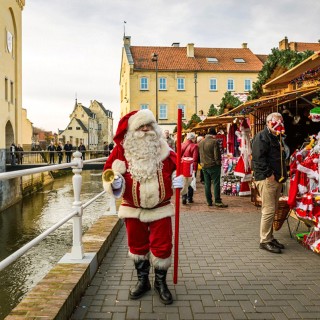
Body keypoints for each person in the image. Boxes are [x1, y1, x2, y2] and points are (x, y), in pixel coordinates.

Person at [102, 109, 184, 305]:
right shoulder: (121, 150)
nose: (146, 130)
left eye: (149, 125)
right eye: (141, 126)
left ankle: (160, 284)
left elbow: (179, 168)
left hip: (160, 208)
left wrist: (182, 180)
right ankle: (143, 281)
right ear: (132, 130)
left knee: (163, 246)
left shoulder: (164, 149)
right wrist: (113, 181)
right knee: (137, 246)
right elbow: (106, 172)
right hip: (133, 209)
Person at [251, 112, 288, 254]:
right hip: (268, 179)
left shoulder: (276, 136)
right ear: (268, 123)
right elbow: (258, 159)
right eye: (275, 122)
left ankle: (270, 237)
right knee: (269, 210)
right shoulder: (261, 137)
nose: (279, 124)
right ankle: (264, 240)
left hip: (277, 178)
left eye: (281, 122)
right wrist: (269, 174)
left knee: (273, 210)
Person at [198, 127, 228, 208]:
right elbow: (217, 155)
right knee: (216, 183)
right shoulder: (214, 142)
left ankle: (209, 201)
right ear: (213, 135)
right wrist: (218, 163)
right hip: (213, 165)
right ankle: (217, 201)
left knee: (207, 184)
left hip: (204, 165)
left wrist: (201, 163)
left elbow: (199, 155)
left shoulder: (201, 142)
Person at [181, 132, 199, 204]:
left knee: (184, 181)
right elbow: (195, 159)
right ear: (192, 138)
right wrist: (195, 169)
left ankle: (184, 197)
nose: (195, 139)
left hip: (183, 165)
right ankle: (189, 198)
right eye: (194, 138)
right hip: (190, 165)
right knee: (190, 182)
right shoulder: (194, 146)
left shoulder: (182, 145)